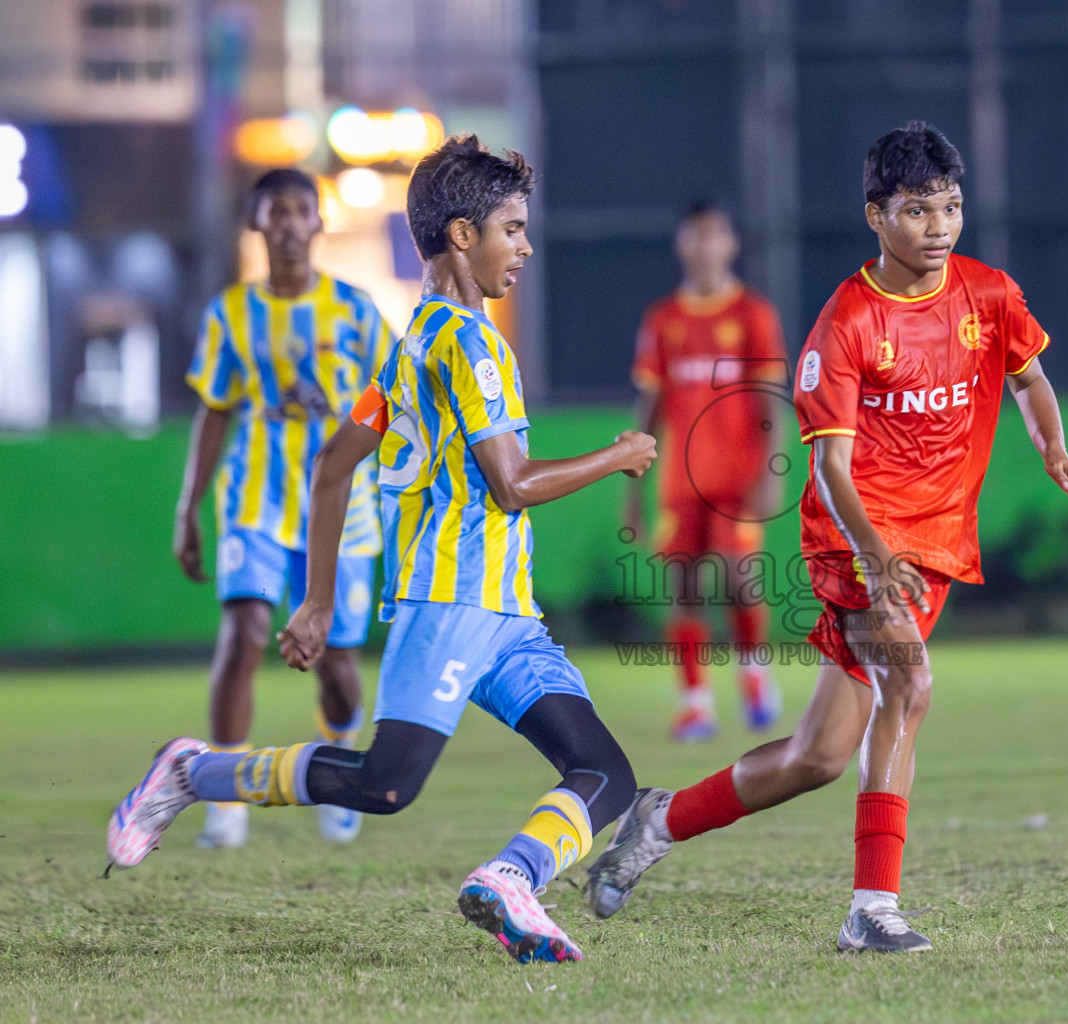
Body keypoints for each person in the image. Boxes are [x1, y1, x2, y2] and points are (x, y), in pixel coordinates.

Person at [108, 135, 659, 965]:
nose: (526, 246)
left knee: (604, 771)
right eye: (513, 228)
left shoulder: (412, 345)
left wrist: (319, 598)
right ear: (464, 236)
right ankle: (193, 773)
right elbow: (511, 483)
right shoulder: (468, 348)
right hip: (451, 600)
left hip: (505, 615)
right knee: (386, 784)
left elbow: (334, 464)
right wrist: (619, 456)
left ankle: (511, 878)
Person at [586, 121, 1068, 953]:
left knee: (818, 757)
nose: (938, 227)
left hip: (930, 547)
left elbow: (1030, 378)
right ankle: (872, 910)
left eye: (952, 208)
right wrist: (870, 552)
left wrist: (1056, 451)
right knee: (911, 686)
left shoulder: (988, 295)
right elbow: (829, 470)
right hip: (857, 544)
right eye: (917, 211)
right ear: (875, 216)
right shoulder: (848, 324)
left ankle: (659, 822)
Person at [175, 168, 392, 849]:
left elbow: (397, 399)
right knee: (242, 633)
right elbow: (215, 412)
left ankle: (337, 768)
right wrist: (188, 508)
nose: (291, 223)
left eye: (303, 210)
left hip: (345, 509)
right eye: (278, 211)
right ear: (255, 223)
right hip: (254, 500)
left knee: (335, 663)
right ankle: (225, 800)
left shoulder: (356, 312)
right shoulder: (230, 314)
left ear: (320, 223)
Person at [627, 203, 788, 741]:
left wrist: (772, 470)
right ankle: (696, 703)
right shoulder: (663, 319)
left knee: (740, 580)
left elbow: (770, 401)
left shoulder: (753, 315)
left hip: (738, 478)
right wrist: (634, 487)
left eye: (712, 236)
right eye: (693, 237)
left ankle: (754, 678)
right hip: (680, 482)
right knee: (684, 587)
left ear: (729, 244)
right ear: (681, 245)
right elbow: (649, 405)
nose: (703, 247)